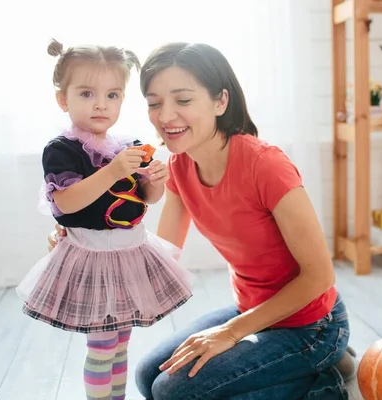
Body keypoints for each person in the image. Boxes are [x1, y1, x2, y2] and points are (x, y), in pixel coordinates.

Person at [49, 42, 357, 399]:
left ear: (220, 101)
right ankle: (306, 367)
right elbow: (163, 255)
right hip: (255, 309)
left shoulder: (266, 166)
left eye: (183, 100)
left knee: (173, 393)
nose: (165, 116)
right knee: (149, 377)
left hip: (313, 324)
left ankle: (326, 382)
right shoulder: (179, 167)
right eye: (154, 103)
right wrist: (84, 240)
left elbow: (320, 276)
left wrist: (230, 333)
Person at [17, 39, 193, 400]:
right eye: (86, 93)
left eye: (112, 95)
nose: (101, 104)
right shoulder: (62, 149)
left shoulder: (128, 145)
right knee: (101, 346)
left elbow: (145, 200)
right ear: (63, 100)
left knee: (121, 342)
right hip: (93, 257)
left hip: (130, 252)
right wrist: (112, 172)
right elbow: (65, 202)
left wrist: (153, 182)